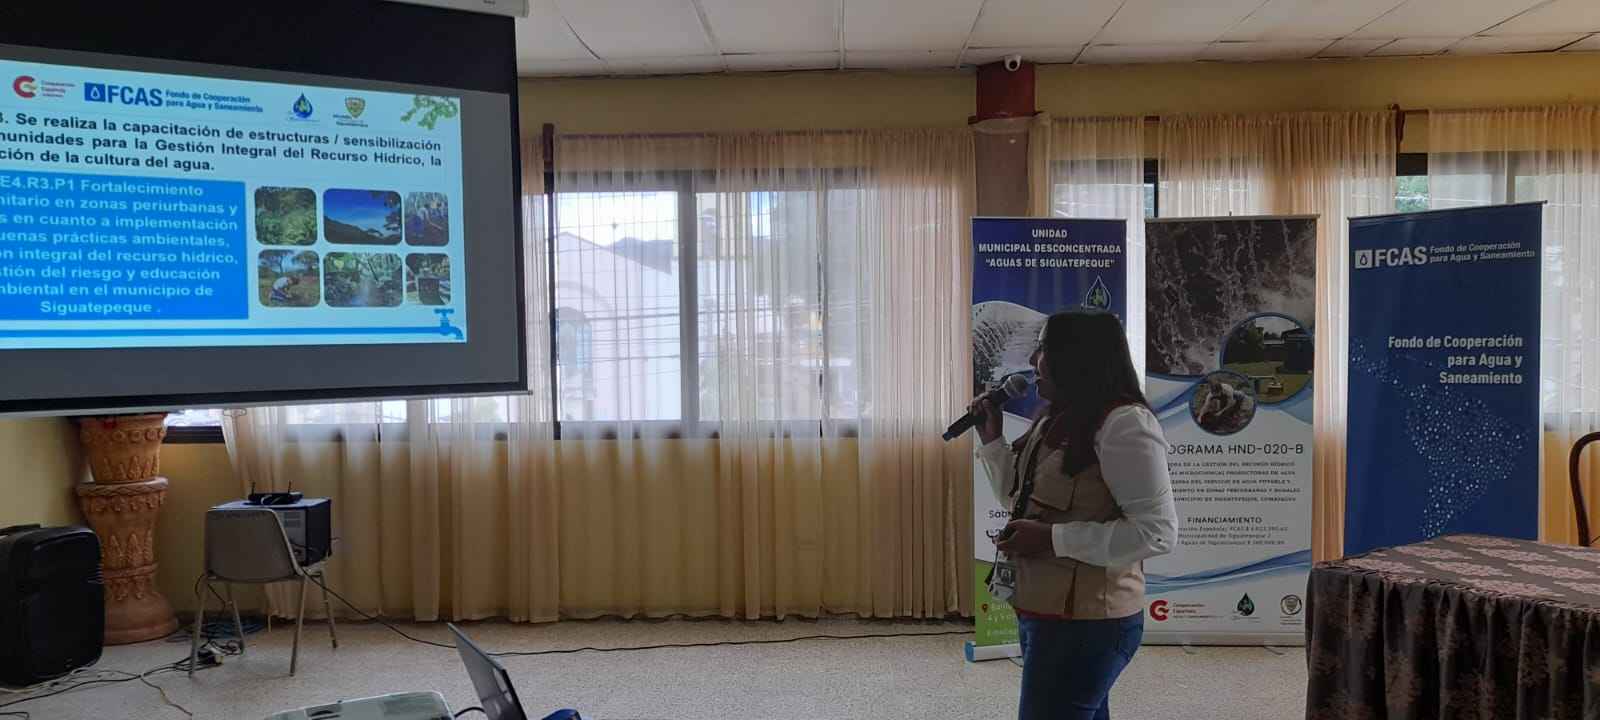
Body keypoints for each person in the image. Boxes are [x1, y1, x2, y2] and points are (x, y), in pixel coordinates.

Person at [971, 310, 1178, 720]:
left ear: (1076, 357)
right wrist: (992, 439)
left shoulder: (1124, 425)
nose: (1033, 361)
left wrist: (1050, 539)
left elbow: (1157, 533)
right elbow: (1017, 495)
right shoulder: (1055, 417)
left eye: (1044, 349)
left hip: (1088, 625)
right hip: (1044, 612)